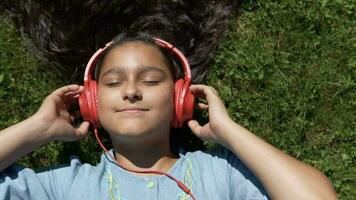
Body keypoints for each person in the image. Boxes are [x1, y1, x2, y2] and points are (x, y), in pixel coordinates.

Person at [0, 31, 337, 199]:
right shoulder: (67, 185)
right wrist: (38, 129)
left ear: (179, 98)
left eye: (150, 80)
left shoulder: (221, 173)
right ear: (91, 101)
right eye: (114, 82)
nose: (131, 91)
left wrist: (229, 132)